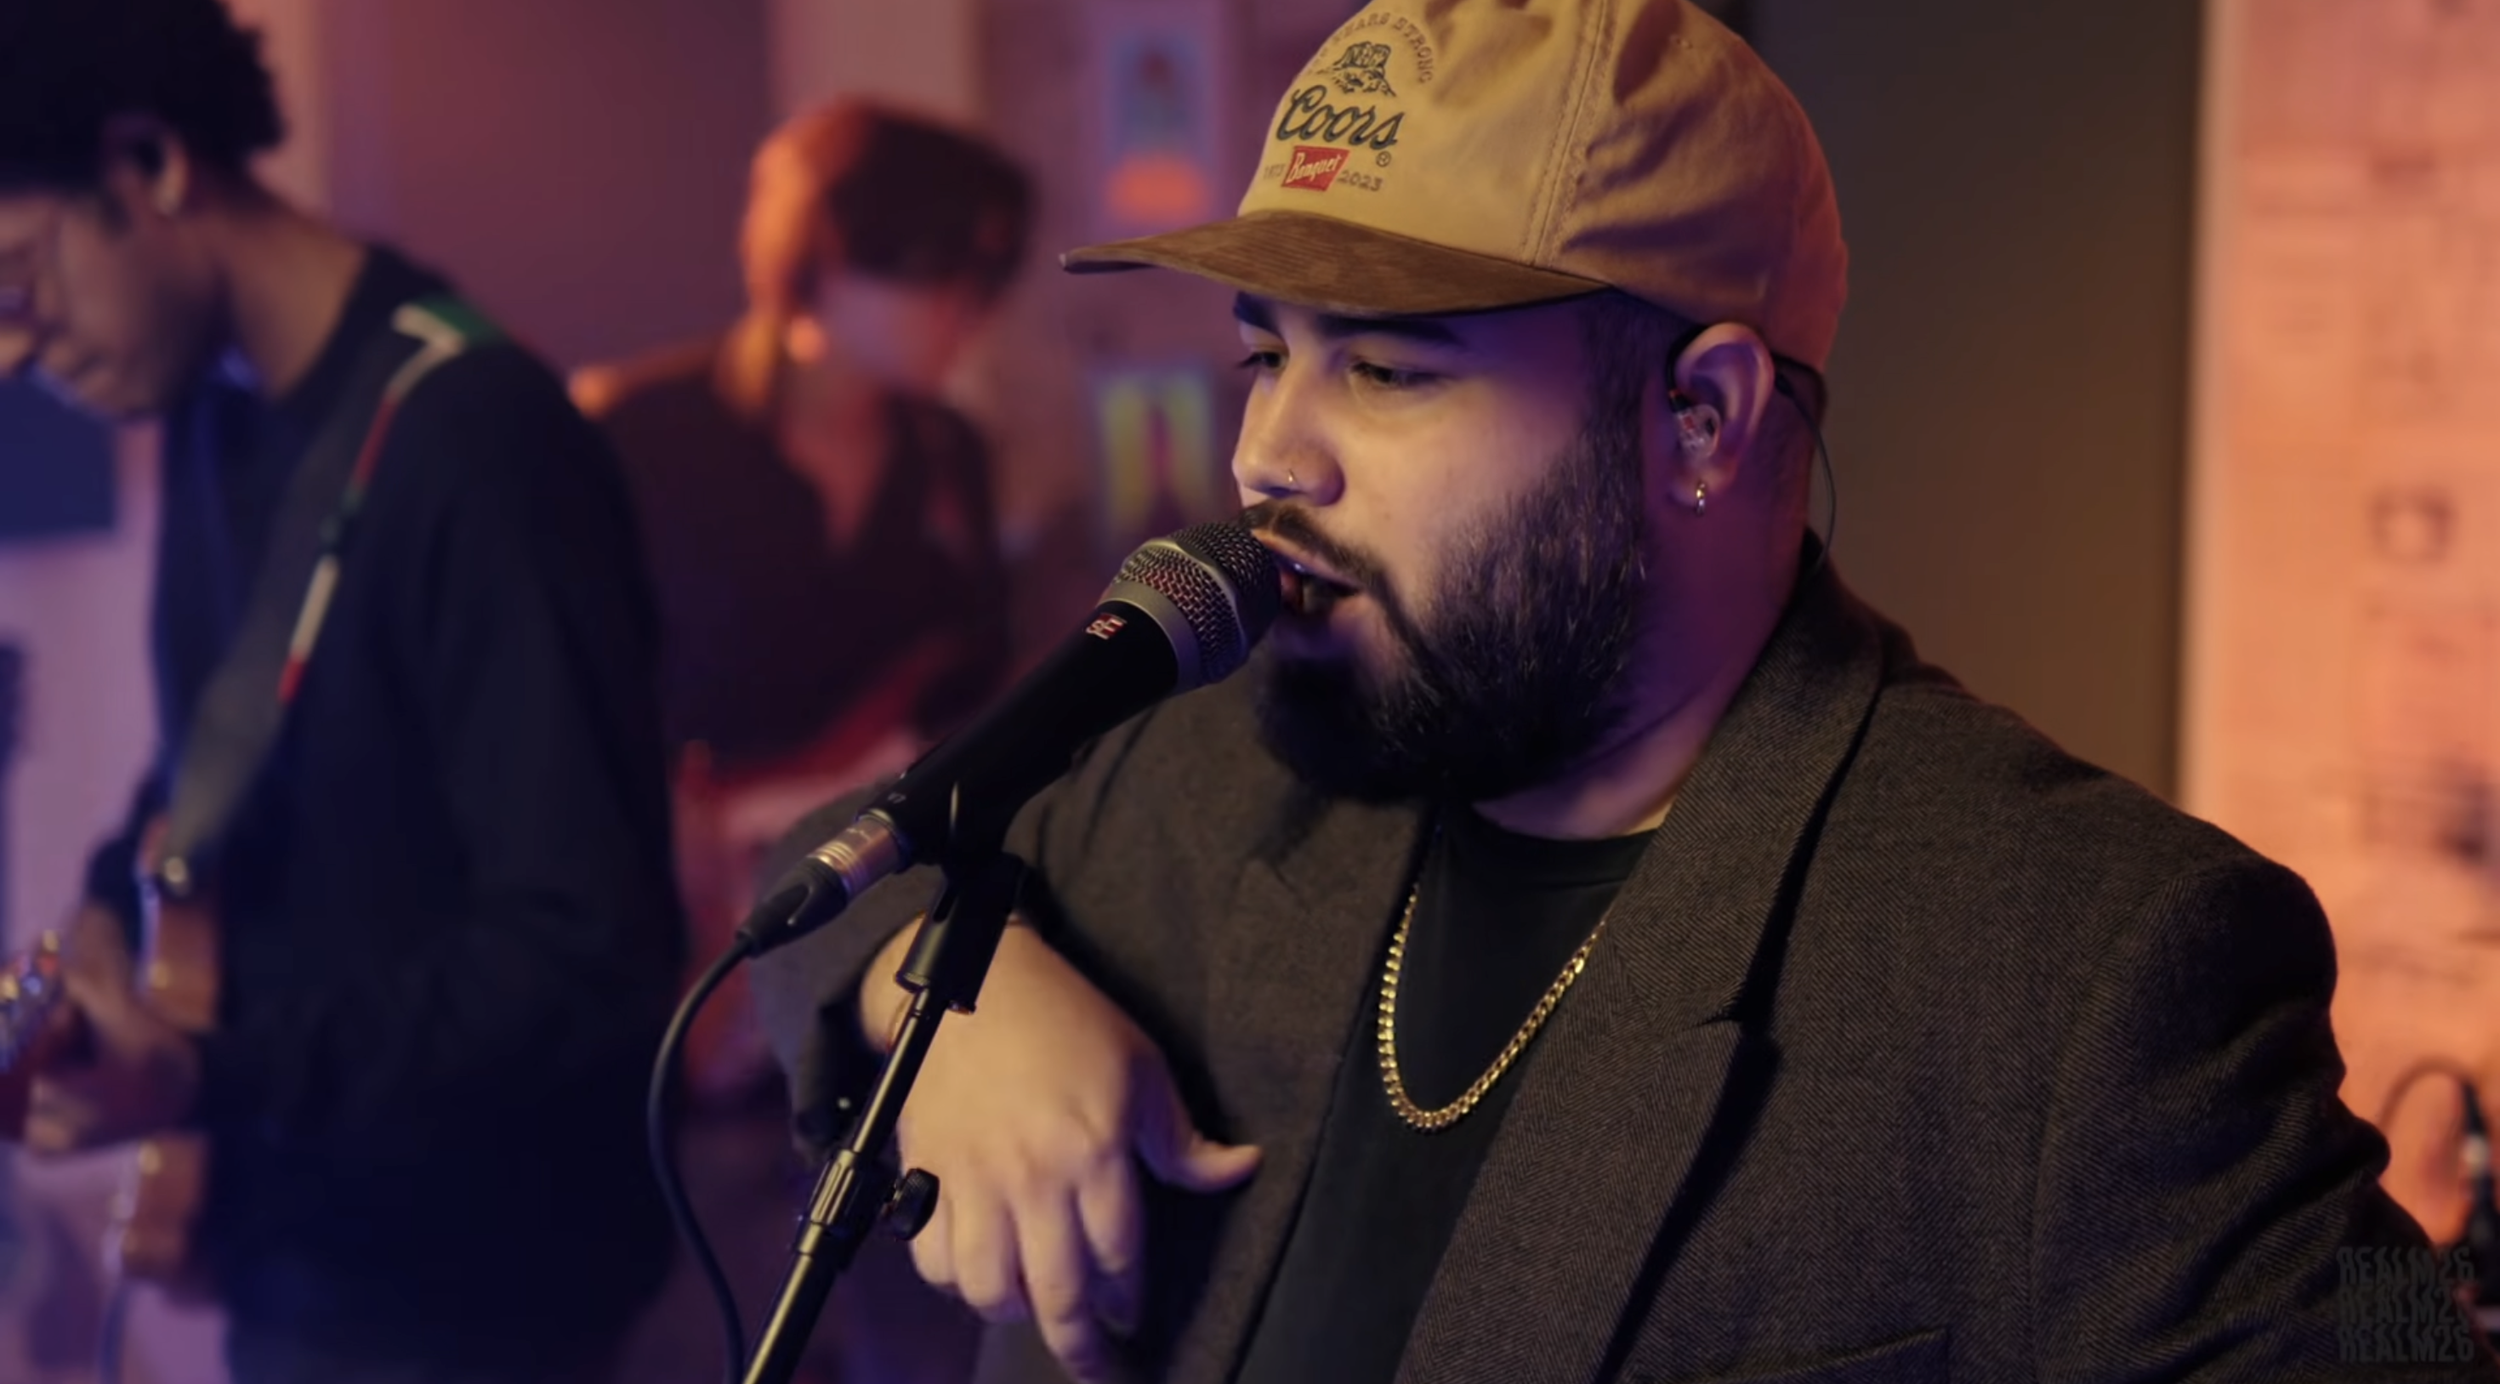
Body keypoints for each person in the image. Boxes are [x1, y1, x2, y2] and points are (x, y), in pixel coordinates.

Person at [749, 1, 2500, 1382]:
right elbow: (834, 871)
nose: (1269, 449)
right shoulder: (1200, 766)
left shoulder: (2083, 959)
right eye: (1268, 353)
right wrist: (939, 992)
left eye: (1387, 370)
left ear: (1702, 417)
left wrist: (2426, 1283)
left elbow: (2404, 1339)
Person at [0, 1, 683, 1380]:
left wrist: (212, 1071)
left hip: (473, 1293)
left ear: (150, 164)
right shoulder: (214, 411)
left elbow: (586, 955)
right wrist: (104, 922)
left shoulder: (480, 441)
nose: (16, 351)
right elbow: (208, 771)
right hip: (300, 1258)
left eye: (21, 281)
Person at [575, 100, 1028, 1384]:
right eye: (939, 271)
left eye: (985, 280)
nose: (966, 312)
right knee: (708, 1320)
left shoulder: (947, 450)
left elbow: (970, 688)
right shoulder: (634, 433)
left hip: (881, 939)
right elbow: (571, 703)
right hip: (684, 950)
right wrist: (674, 843)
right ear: (825, 252)